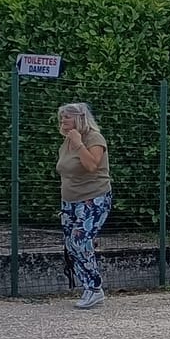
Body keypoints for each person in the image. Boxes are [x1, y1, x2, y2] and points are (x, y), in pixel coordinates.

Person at [56, 101, 113, 310]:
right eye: (62, 118)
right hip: (70, 202)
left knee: (80, 241)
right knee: (71, 245)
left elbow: (91, 165)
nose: (63, 122)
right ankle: (88, 287)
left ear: (79, 119)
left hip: (93, 198)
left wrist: (79, 144)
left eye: (67, 118)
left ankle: (95, 287)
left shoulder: (93, 138)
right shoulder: (65, 143)